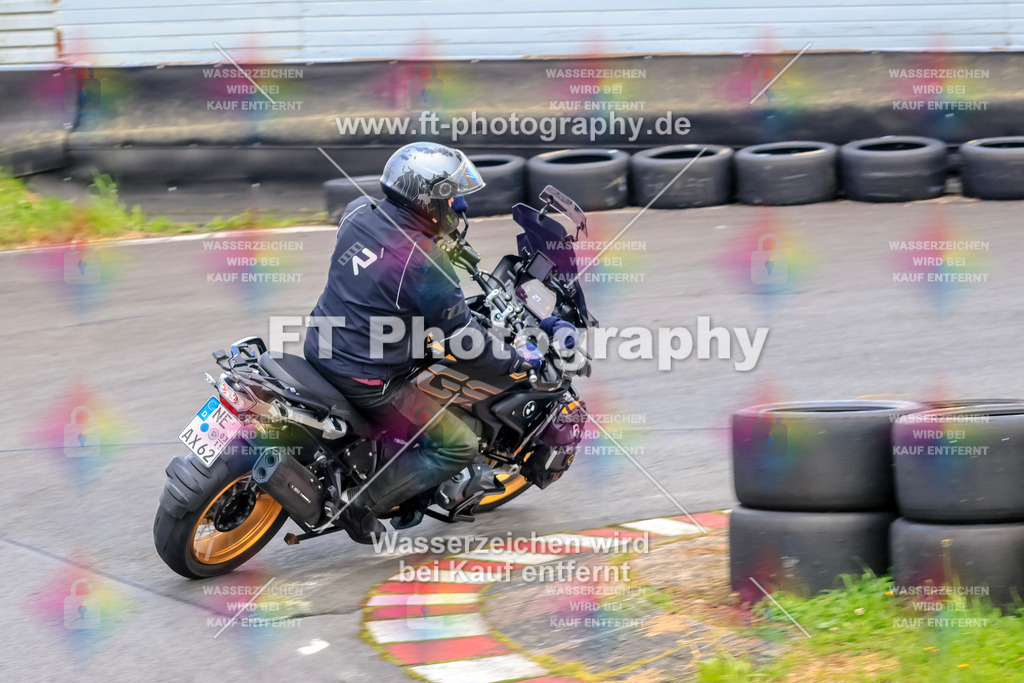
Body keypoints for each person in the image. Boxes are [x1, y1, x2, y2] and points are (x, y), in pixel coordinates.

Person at [304, 142, 541, 543]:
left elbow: (382, 272)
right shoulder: (427, 264)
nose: (458, 206)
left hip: (321, 344)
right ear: (429, 201)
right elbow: (468, 343)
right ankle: (360, 505)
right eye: (451, 198)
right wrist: (515, 359)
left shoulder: (359, 213)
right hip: (370, 380)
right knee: (458, 443)